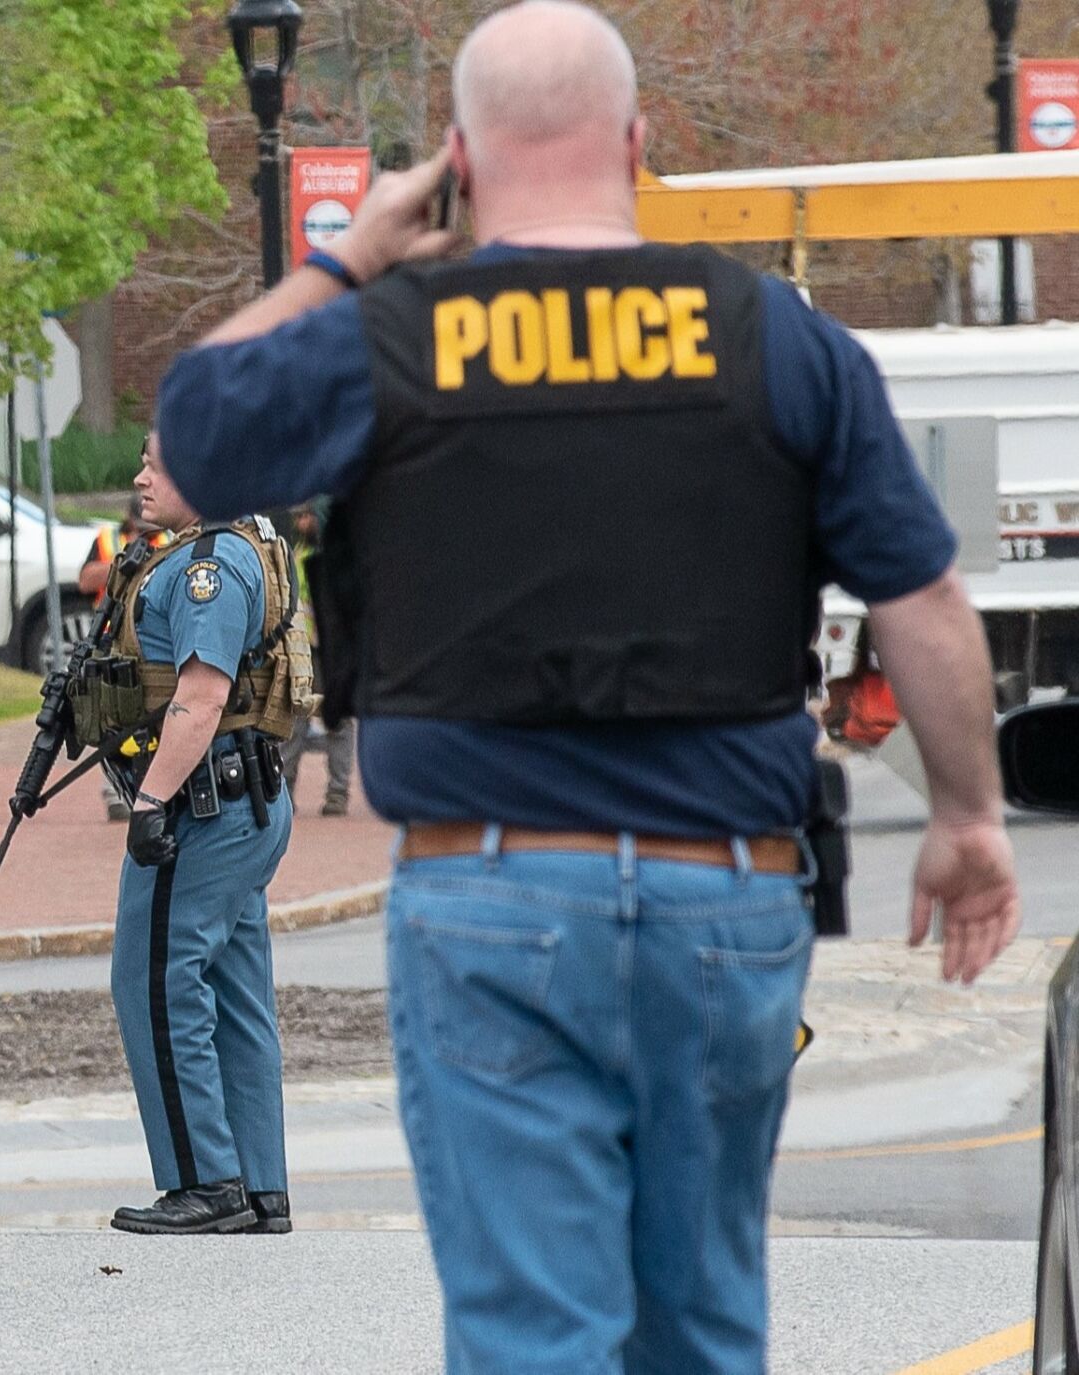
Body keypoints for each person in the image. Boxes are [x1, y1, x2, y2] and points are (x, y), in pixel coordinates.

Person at [152, 3, 1020, 1368]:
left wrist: (348, 256)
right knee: (702, 1324)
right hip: (727, 894)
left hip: (489, 897)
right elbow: (923, 598)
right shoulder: (776, 339)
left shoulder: (392, 338)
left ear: (457, 159)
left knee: (530, 1332)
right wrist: (967, 816)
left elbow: (196, 436)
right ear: (636, 141)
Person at [82, 436, 305, 1236]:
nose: (140, 477)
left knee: (154, 980)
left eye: (158, 462)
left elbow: (202, 695)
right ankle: (258, 1184)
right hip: (249, 799)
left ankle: (204, 1180)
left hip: (204, 803)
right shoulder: (244, 545)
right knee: (238, 991)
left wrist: (150, 802)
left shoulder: (208, 565)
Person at [80, 492, 172, 821]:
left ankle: (152, 788)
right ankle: (114, 790)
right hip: (110, 641)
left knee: (151, 716)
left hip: (150, 645)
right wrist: (127, 563)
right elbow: (85, 580)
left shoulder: (169, 541)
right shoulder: (107, 539)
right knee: (112, 717)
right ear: (131, 520)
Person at [278, 504, 354, 816]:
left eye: (305, 516)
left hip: (334, 649)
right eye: (297, 517)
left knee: (339, 722)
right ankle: (284, 792)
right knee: (295, 720)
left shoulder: (340, 555)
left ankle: (337, 793)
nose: (300, 523)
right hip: (302, 648)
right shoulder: (297, 555)